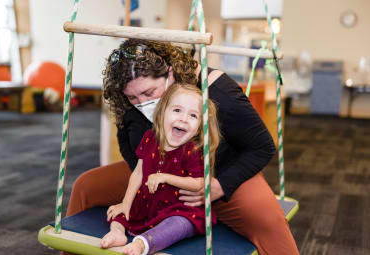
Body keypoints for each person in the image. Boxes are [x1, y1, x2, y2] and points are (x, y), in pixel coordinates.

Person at [67, 39, 299, 254]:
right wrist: (144, 194)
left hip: (218, 177)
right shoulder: (129, 104)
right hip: (157, 176)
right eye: (133, 97)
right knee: (85, 186)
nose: (142, 103)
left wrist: (220, 186)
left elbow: (262, 147)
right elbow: (131, 151)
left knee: (269, 222)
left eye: (149, 92)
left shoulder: (216, 91)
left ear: (170, 73)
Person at [100, 83, 220, 255]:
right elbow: (138, 172)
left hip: (177, 208)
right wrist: (126, 203)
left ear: (200, 126)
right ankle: (117, 233)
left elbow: (199, 182)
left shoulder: (192, 150)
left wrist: (165, 177)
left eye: (193, 115)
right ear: (163, 111)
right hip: (147, 204)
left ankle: (145, 243)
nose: (183, 119)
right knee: (118, 212)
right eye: (177, 110)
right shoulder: (150, 138)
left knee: (180, 224)